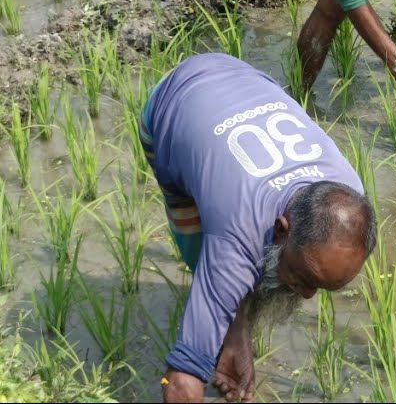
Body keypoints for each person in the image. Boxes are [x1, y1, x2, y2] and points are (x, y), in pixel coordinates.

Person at [139, 53, 377, 403]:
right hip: (172, 104)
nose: (307, 295)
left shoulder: (349, 191)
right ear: (281, 228)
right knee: (204, 252)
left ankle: (233, 336)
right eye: (305, 277)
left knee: (254, 269)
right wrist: (194, 359)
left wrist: (236, 334)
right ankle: (221, 324)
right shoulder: (237, 235)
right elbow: (179, 382)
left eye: (323, 287)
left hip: (246, 81)